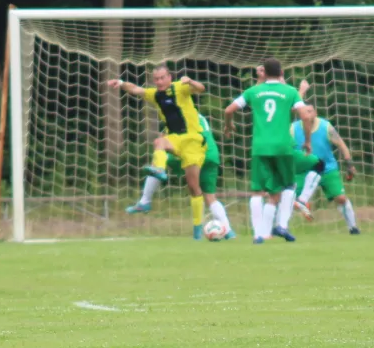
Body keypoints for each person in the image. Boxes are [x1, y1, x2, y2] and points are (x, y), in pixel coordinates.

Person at [108, 65, 207, 239]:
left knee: (193, 187)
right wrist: (121, 82)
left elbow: (201, 89)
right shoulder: (156, 94)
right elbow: (136, 89)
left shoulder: (180, 87)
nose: (159, 81)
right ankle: (157, 175)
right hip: (175, 138)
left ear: (169, 77)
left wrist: (190, 80)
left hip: (193, 140)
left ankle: (198, 227)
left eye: (162, 77)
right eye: (156, 79)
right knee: (159, 142)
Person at [224, 58, 313, 244]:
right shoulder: (290, 92)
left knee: (258, 191)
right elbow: (305, 115)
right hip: (283, 147)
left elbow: (228, 109)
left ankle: (258, 234)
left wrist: (229, 124)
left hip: (260, 147)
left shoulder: (253, 91)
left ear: (263, 72)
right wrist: (307, 141)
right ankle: (281, 224)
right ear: (281, 73)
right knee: (289, 186)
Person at [125, 114, 236, 240]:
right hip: (211, 154)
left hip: (194, 153)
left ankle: (145, 200)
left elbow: (164, 139)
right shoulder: (198, 116)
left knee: (159, 157)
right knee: (210, 196)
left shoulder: (176, 115)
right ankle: (228, 231)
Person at [290, 105, 360, 234]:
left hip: (327, 168)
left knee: (341, 198)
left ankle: (353, 228)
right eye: (305, 111)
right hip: (304, 170)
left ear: (316, 113)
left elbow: (341, 145)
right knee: (288, 198)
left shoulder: (325, 126)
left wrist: (349, 164)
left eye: (310, 111)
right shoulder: (293, 128)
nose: (308, 114)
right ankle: (279, 229)